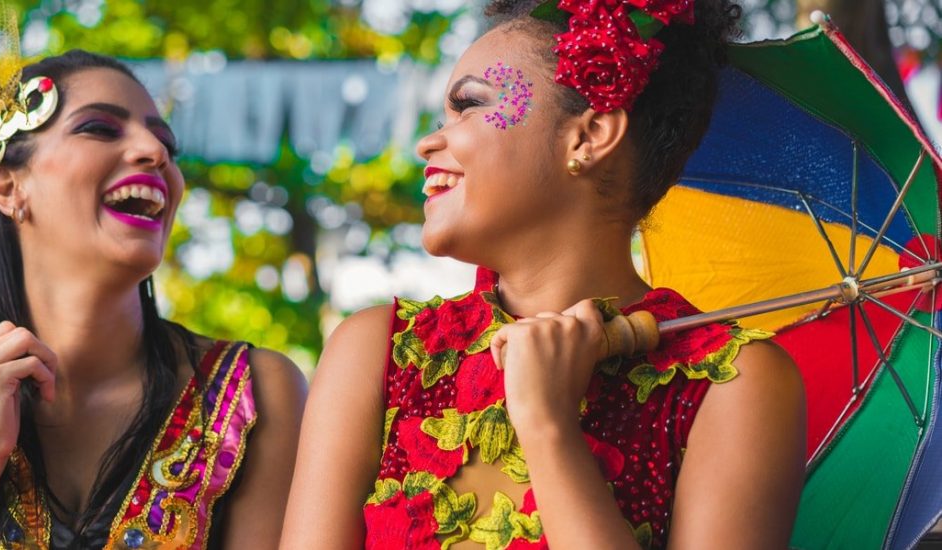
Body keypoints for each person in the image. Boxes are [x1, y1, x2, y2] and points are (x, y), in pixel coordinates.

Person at [282, 0, 806, 548]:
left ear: (589, 136)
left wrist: (547, 424)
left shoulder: (734, 382)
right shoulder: (374, 353)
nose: (428, 142)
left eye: (468, 105)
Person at [0, 50, 306, 549]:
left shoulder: (256, 391)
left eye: (167, 142)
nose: (154, 151)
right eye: (100, 129)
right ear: (7, 187)